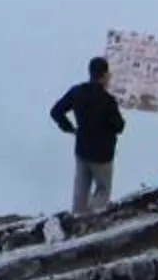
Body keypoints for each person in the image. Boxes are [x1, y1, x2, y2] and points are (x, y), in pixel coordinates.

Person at [51, 56, 127, 216]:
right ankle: (91, 218)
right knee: (102, 190)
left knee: (80, 189)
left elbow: (56, 111)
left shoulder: (77, 91)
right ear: (105, 75)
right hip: (102, 155)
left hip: (82, 149)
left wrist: (70, 128)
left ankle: (77, 218)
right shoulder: (108, 101)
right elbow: (119, 126)